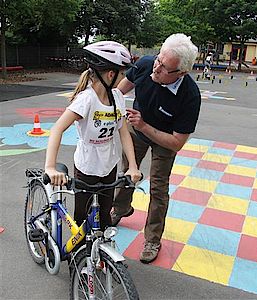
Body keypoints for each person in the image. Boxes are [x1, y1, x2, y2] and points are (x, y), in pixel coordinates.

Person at [111, 33, 201, 263]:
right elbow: (118, 92)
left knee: (158, 188)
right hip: (137, 129)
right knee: (127, 173)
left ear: (181, 73)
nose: (156, 68)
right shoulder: (145, 65)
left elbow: (177, 142)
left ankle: (152, 239)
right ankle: (120, 208)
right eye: (158, 59)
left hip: (164, 138)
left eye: (164, 67)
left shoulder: (189, 95)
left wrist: (144, 125)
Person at [45, 41, 141, 231]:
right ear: (111, 74)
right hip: (86, 167)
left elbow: (124, 133)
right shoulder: (87, 99)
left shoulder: (117, 97)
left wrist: (133, 166)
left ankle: (99, 257)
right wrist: (50, 167)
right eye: (122, 73)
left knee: (104, 216)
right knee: (82, 218)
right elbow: (57, 129)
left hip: (109, 165)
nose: (124, 77)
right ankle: (78, 256)